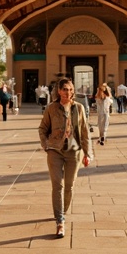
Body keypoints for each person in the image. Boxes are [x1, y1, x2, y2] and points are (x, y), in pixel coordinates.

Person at [39, 78, 93, 238]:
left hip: (74, 151)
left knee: (69, 186)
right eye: (64, 90)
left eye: (70, 89)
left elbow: (84, 131)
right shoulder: (51, 108)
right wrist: (45, 144)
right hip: (55, 150)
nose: (67, 92)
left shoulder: (79, 108)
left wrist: (87, 153)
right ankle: (60, 221)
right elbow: (42, 128)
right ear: (59, 91)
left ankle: (62, 211)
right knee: (57, 186)